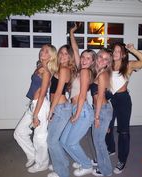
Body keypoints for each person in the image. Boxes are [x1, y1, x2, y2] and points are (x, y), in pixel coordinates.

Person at [105, 42, 142, 174]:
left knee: (123, 131)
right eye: (114, 50)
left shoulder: (129, 65)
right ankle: (111, 148)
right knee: (107, 127)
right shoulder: (108, 65)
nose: (115, 53)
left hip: (123, 100)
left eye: (118, 51)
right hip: (109, 98)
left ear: (124, 54)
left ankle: (122, 160)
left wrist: (133, 50)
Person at [13, 44, 58, 173]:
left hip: (41, 105)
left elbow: (43, 94)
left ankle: (42, 163)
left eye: (46, 51)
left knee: (39, 137)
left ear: (51, 56)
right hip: (34, 104)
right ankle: (33, 155)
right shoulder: (40, 66)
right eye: (42, 50)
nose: (42, 52)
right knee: (19, 132)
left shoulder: (47, 72)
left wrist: (35, 115)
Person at [60, 23, 97, 177]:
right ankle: (84, 159)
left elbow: (82, 95)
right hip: (77, 109)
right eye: (83, 56)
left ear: (92, 62)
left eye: (88, 58)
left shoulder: (85, 72)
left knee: (70, 142)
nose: (84, 59)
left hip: (82, 112)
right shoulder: (80, 69)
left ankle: (87, 165)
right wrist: (71, 32)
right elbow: (75, 49)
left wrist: (76, 114)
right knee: (63, 141)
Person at [47, 44, 76, 177]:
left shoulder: (64, 69)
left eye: (66, 54)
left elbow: (58, 92)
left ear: (70, 56)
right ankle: (63, 162)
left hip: (60, 108)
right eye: (61, 53)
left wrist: (51, 110)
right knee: (54, 140)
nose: (63, 56)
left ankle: (62, 173)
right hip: (60, 107)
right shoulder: (61, 68)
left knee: (52, 141)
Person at [90, 48, 113, 176]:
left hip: (101, 111)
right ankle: (103, 166)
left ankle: (106, 171)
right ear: (97, 57)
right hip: (101, 110)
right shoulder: (98, 72)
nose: (102, 60)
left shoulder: (103, 74)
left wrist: (97, 117)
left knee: (99, 142)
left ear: (108, 63)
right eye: (100, 57)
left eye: (106, 59)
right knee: (98, 141)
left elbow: (100, 97)